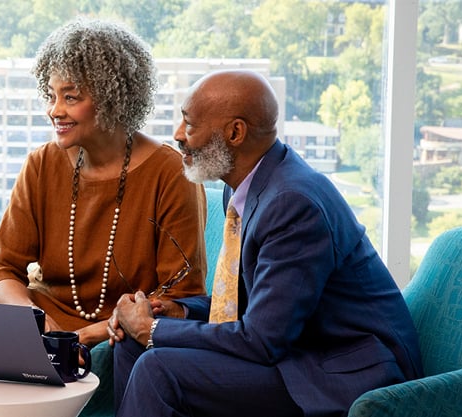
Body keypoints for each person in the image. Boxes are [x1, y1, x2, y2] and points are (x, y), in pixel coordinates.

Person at [108, 70, 423, 417]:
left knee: (158, 369)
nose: (178, 135)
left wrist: (153, 329)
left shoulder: (293, 204)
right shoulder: (246, 182)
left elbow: (261, 340)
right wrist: (178, 312)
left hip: (341, 369)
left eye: (190, 124)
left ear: (235, 133)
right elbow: (260, 303)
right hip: (294, 346)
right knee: (131, 345)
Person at [0, 17, 207, 347]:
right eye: (51, 96)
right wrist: (35, 320)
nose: (54, 111)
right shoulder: (41, 163)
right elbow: (1, 267)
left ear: (111, 99)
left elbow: (177, 299)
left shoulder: (170, 172)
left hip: (116, 335)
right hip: (41, 321)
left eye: (70, 98)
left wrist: (84, 336)